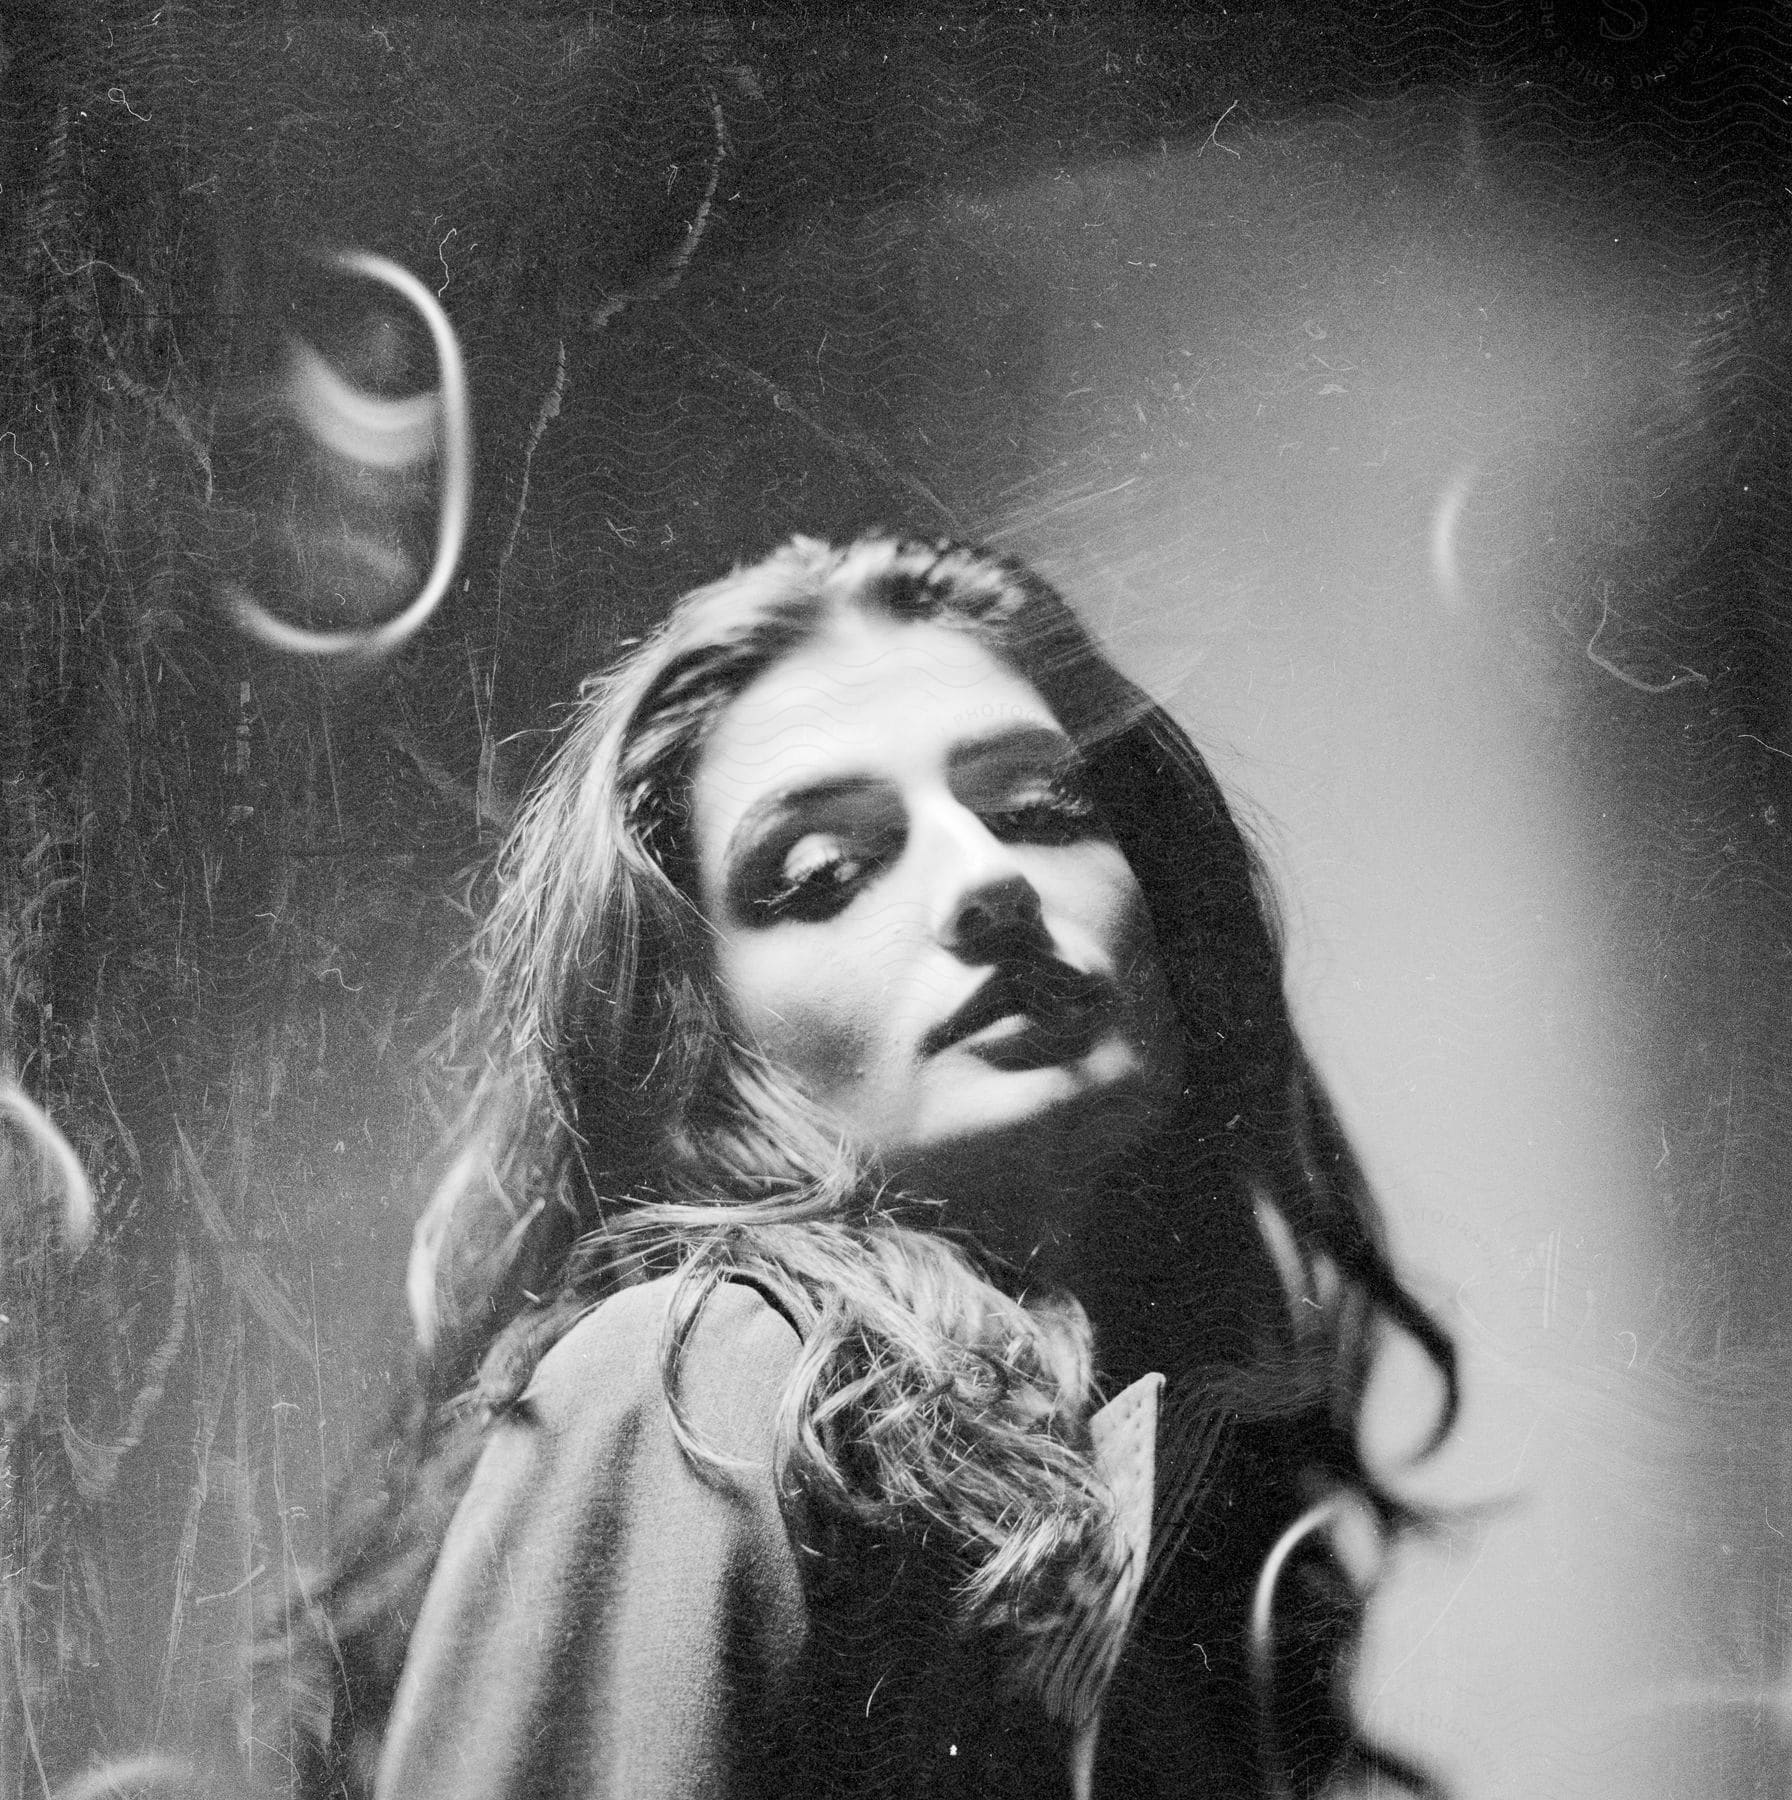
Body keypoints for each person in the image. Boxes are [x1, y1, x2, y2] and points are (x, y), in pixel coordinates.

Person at [269, 534, 1455, 1799]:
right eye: (825, 872)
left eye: (1044, 810)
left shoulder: (1163, 1458)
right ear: (700, 1049)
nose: (988, 879)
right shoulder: (706, 1377)